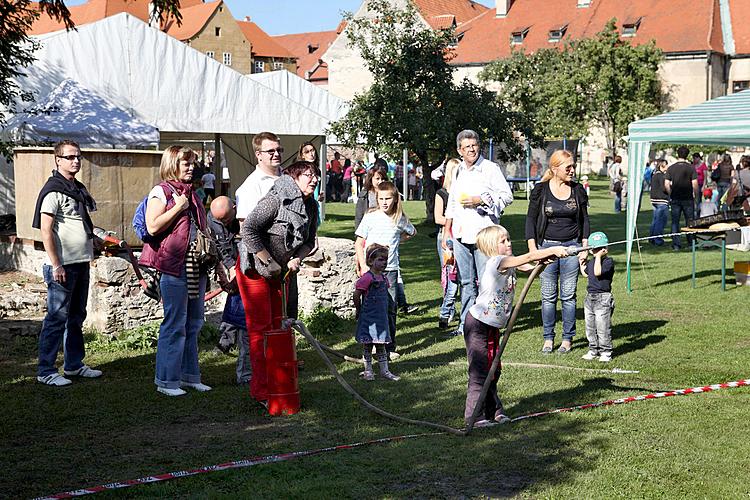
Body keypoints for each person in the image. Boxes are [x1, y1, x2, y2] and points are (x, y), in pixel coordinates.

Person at [463, 225, 568, 427]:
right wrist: (552, 250)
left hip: (492, 326)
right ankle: (474, 417)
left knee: (493, 370)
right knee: (479, 371)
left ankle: (494, 411)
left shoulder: (509, 263)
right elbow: (527, 259)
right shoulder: (497, 262)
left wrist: (544, 262)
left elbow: (531, 268)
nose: (508, 243)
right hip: (478, 324)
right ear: (492, 247)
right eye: (502, 241)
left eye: (508, 239)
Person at [239, 160, 319, 405]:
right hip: (254, 270)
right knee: (261, 330)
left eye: (315, 175)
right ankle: (262, 391)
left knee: (277, 328)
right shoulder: (276, 199)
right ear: (294, 178)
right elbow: (249, 229)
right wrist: (267, 259)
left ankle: (278, 385)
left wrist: (297, 258)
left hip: (278, 274)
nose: (314, 180)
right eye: (308, 175)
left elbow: (310, 241)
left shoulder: (311, 206)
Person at [140, 146, 212, 396]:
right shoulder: (162, 191)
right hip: (173, 265)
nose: (191, 167)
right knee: (175, 322)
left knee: (194, 321)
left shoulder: (192, 193)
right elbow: (152, 226)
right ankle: (166, 381)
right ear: (172, 164)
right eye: (186, 163)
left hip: (196, 264)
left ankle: (190, 376)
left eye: (193, 163)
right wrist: (178, 208)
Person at [32, 140, 103, 386]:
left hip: (81, 262)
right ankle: (46, 371)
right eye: (70, 157)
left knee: (76, 316)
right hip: (63, 265)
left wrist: (92, 241)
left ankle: (73, 365)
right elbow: (46, 230)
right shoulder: (53, 190)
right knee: (56, 317)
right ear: (58, 160)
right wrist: (56, 264)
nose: (76, 161)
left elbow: (77, 223)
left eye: (78, 157)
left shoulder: (77, 189)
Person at [442, 130, 513, 336]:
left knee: (486, 280)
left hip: (484, 234)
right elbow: (453, 202)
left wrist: (480, 199)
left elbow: (506, 196)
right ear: (459, 150)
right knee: (466, 281)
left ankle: (486, 323)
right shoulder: (458, 170)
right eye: (467, 147)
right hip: (462, 232)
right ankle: (465, 324)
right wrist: (448, 230)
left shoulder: (490, 168)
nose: (472, 149)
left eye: (474, 145)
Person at [525, 150, 589, 354]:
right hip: (547, 248)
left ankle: (567, 339)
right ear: (554, 169)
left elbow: (585, 220)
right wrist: (533, 249)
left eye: (573, 166)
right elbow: (530, 220)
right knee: (548, 296)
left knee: (569, 296)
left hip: (571, 247)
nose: (572, 170)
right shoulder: (541, 190)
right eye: (567, 167)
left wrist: (584, 247)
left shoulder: (578, 190)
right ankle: (548, 338)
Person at [355, 181, 416, 357]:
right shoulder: (371, 216)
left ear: (395, 199)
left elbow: (412, 232)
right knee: (372, 307)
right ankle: (370, 341)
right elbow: (359, 242)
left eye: (388, 198)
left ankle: (389, 346)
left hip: (390, 270)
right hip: (371, 270)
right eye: (380, 198)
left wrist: (398, 240)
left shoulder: (399, 219)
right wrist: (363, 264)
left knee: (389, 307)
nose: (384, 202)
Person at [208, 196, 251, 385]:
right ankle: (226, 342)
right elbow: (221, 247)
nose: (224, 223)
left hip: (247, 264)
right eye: (220, 220)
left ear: (235, 207)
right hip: (233, 265)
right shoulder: (215, 219)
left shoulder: (245, 210)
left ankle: (228, 344)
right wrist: (231, 268)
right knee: (235, 304)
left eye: (226, 219)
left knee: (241, 310)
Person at [353, 243, 400, 381]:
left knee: (381, 345)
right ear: (370, 261)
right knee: (368, 345)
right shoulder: (367, 278)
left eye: (385, 259)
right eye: (380, 259)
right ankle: (368, 371)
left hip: (381, 318)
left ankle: (384, 371)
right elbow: (357, 294)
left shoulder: (384, 278)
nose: (384, 262)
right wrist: (359, 309)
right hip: (369, 318)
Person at [580, 231, 615, 363]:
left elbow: (597, 272)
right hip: (590, 298)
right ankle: (593, 349)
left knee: (602, 327)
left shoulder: (608, 262)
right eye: (595, 249)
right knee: (590, 326)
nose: (597, 251)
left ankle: (606, 351)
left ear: (605, 249)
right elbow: (587, 274)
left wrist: (599, 257)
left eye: (600, 248)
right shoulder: (592, 262)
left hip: (603, 298)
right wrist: (581, 262)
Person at [434, 158, 460, 331]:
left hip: (462, 237)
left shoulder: (462, 193)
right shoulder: (442, 193)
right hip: (447, 237)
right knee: (451, 278)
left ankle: (448, 311)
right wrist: (455, 220)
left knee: (461, 278)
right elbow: (438, 218)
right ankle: (446, 312)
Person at [235, 132, 282, 222]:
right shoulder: (248, 188)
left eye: (279, 150)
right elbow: (246, 229)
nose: (276, 154)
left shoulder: (291, 177)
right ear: (258, 155)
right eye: (270, 151)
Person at [665, 146, 698, 251]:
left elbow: (666, 184)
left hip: (675, 198)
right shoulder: (691, 168)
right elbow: (695, 184)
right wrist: (696, 196)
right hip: (688, 198)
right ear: (687, 155)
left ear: (677, 154)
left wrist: (671, 193)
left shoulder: (671, 168)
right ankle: (691, 242)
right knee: (690, 221)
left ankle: (676, 244)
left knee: (675, 222)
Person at [354, 159, 389, 230]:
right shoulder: (364, 194)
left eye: (383, 179)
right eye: (377, 178)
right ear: (371, 179)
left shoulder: (389, 193)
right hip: (369, 229)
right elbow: (359, 216)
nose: (380, 181)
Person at [298, 141, 322, 224]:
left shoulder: (317, 171)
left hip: (314, 206)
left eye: (312, 150)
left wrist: (319, 196)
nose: (311, 154)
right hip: (303, 207)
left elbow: (316, 190)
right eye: (307, 152)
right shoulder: (299, 170)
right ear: (302, 155)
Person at [649, 159, 669, 246]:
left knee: (655, 220)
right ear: (662, 166)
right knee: (661, 221)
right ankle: (658, 239)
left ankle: (652, 238)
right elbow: (664, 187)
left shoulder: (654, 174)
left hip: (654, 200)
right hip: (661, 200)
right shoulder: (661, 176)